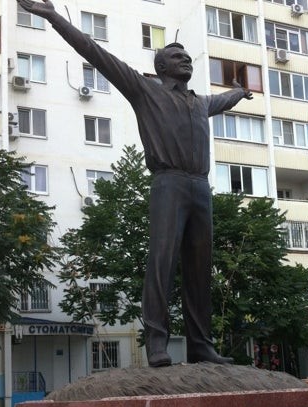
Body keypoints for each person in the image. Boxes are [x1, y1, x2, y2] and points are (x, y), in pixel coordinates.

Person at [17, 1, 253, 367]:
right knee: (162, 261)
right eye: (176, 56)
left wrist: (239, 91)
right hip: (168, 183)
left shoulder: (200, 103)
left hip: (201, 188)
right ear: (161, 67)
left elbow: (225, 100)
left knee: (199, 270)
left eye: (187, 56)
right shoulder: (145, 90)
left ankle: (201, 345)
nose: (185, 59)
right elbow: (94, 52)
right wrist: (52, 16)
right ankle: (157, 343)